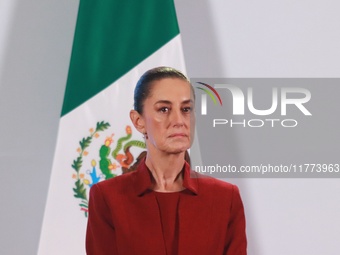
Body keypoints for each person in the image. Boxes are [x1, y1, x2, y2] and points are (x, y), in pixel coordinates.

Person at [86, 67, 247, 255]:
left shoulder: (225, 198)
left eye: (186, 109)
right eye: (164, 109)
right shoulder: (107, 197)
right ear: (138, 121)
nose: (179, 120)